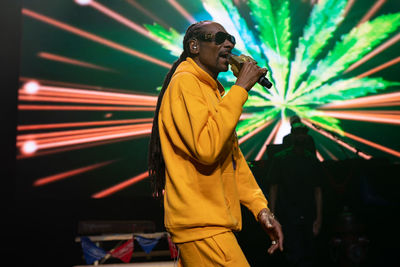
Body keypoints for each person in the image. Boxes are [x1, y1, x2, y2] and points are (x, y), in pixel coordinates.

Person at [148, 21, 283, 266]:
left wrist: (260, 208)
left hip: (209, 225)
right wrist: (240, 88)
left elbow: (232, 161)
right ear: (194, 46)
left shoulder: (210, 90)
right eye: (219, 38)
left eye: (230, 38)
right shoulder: (185, 82)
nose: (229, 43)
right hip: (202, 226)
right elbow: (207, 150)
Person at [268, 116, 323, 267]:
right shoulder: (280, 159)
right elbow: (273, 188)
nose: (300, 135)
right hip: (288, 215)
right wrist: (272, 216)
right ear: (292, 135)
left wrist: (318, 219)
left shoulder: (311, 160)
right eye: (297, 132)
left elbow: (318, 190)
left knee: (308, 254)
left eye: (302, 132)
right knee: (293, 255)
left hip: (307, 214)